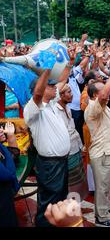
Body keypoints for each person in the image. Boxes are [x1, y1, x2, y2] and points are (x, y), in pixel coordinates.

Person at [23, 51, 71, 227]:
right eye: (50, 86)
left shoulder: (51, 103)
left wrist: (69, 61)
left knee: (59, 199)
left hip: (60, 162)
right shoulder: (32, 109)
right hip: (50, 165)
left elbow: (63, 80)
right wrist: (47, 70)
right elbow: (37, 94)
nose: (56, 88)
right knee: (49, 202)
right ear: (42, 89)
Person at [85, 59, 110, 227]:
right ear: (95, 95)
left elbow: (106, 94)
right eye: (103, 91)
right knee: (102, 186)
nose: (107, 93)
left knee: (106, 184)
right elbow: (104, 95)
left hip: (109, 151)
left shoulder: (101, 105)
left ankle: (105, 207)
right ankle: (102, 217)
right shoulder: (93, 107)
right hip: (103, 153)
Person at [56, 83, 88, 200]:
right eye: (69, 92)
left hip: (75, 148)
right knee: (71, 182)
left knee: (78, 180)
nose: (72, 95)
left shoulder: (67, 107)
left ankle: (76, 205)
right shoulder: (56, 111)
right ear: (60, 95)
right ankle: (71, 209)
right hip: (67, 151)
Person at [0, 122, 20, 227]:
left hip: (6, 199)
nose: (1, 130)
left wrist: (11, 136)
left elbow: (13, 155)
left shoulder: (2, 148)